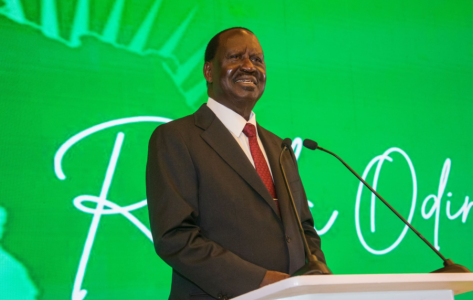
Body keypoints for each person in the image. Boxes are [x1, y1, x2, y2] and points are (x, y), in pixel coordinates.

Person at [146, 27, 327, 300]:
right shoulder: (176, 138)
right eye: (235, 57)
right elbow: (174, 236)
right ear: (208, 72)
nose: (248, 66)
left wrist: (316, 269)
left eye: (257, 59)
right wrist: (257, 281)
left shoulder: (280, 147)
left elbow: (304, 229)